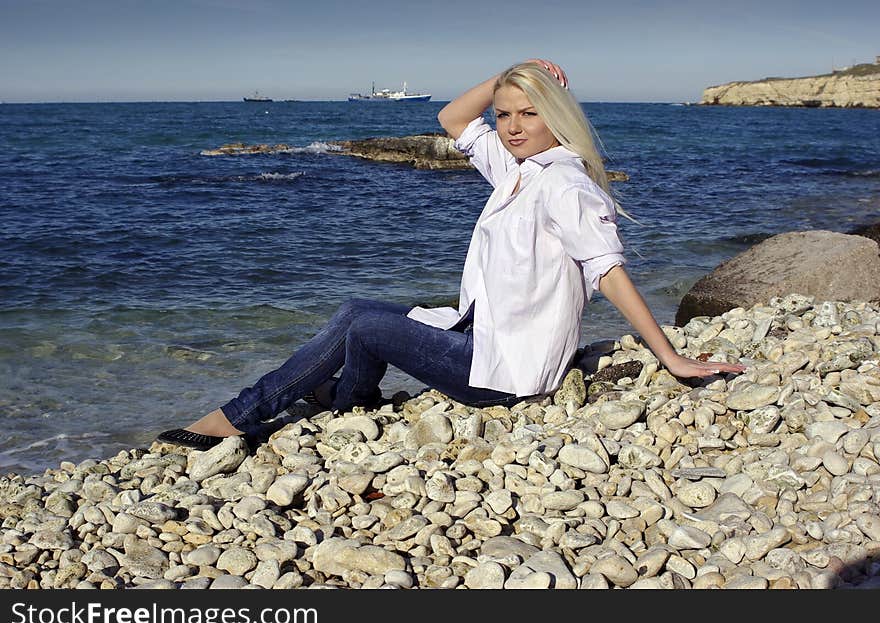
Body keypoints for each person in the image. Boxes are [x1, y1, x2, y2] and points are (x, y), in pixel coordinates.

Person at [157, 58, 744, 449]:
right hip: (477, 340)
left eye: (530, 112)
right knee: (360, 314)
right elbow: (452, 118)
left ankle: (237, 418)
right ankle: (348, 401)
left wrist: (671, 358)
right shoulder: (518, 172)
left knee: (363, 321)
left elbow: (609, 273)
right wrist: (511, 75)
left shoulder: (563, 185)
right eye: (506, 114)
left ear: (557, 117)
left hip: (507, 373)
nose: (512, 127)